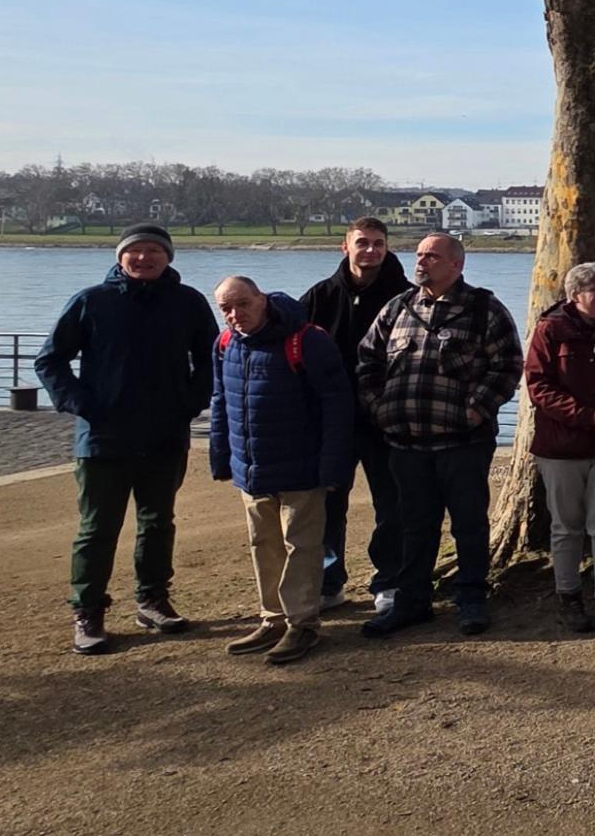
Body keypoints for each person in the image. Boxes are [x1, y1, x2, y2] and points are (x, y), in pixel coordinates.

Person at [37, 224, 220, 654]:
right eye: (135, 251)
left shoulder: (188, 302)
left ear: (168, 257)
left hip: (164, 435)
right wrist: (83, 405)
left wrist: (188, 404)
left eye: (154, 251)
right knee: (97, 529)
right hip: (103, 438)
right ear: (120, 257)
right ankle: (88, 612)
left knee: (158, 523)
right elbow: (51, 360)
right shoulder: (92, 301)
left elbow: (212, 358)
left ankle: (152, 599)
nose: (144, 258)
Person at [354, 232, 524, 639]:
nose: (422, 261)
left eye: (431, 255)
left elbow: (508, 366)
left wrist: (474, 408)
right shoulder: (397, 308)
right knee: (413, 524)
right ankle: (412, 601)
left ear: (456, 265)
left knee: (468, 525)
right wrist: (380, 408)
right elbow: (366, 361)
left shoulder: (485, 309)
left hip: (463, 445)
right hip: (406, 445)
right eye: (419, 254)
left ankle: (471, 599)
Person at [207, 276, 352, 665]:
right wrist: (221, 457)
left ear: (263, 299)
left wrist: (332, 465)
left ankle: (302, 623)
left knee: (302, 546)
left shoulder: (307, 341)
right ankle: (272, 618)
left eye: (243, 304)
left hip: (302, 468)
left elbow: (337, 405)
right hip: (251, 469)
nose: (235, 315)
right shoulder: (224, 346)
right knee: (263, 544)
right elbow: (221, 402)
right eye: (226, 309)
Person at [300, 216, 414, 615]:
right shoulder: (319, 297)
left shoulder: (406, 297)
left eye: (378, 243)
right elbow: (294, 354)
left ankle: (389, 580)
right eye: (362, 243)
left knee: (392, 503)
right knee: (329, 504)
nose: (371, 250)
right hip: (332, 422)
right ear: (344, 246)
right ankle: (330, 582)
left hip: (387, 421)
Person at [523, 262, 595, 638]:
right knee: (566, 527)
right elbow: (538, 386)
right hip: (562, 448)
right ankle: (568, 597)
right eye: (594, 288)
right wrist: (587, 415)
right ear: (574, 295)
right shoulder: (550, 329)